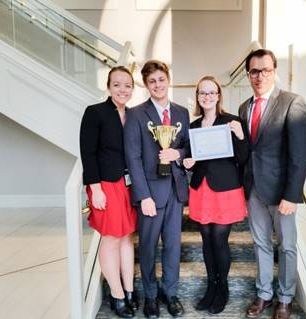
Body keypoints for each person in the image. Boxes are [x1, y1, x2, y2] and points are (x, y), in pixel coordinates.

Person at [239, 49, 306, 319]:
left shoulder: (293, 103)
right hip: (254, 188)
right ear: (248, 74)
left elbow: (300, 154)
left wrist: (292, 195)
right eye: (254, 71)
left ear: (274, 71)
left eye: (265, 70)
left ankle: (286, 298)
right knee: (260, 244)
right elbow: (250, 149)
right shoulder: (244, 107)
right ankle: (264, 294)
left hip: (282, 192)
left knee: (287, 245)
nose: (260, 76)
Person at [124, 60, 190, 318]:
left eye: (161, 79)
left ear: (168, 79)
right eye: (152, 81)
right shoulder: (136, 115)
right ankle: (150, 296)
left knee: (173, 246)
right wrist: (143, 196)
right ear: (146, 85)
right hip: (151, 195)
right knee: (149, 247)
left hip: (175, 191)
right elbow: (133, 158)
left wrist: (178, 153)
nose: (157, 85)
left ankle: (170, 293)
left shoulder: (182, 113)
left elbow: (188, 148)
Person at [183, 75, 249, 314]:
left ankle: (223, 287)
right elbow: (192, 158)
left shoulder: (232, 121)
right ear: (198, 97)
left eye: (212, 92)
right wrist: (187, 162)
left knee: (219, 240)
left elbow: (243, 158)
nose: (207, 96)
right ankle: (211, 286)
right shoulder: (193, 126)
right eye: (203, 93)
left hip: (225, 189)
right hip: (201, 188)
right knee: (206, 239)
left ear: (219, 95)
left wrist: (241, 136)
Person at [79, 66, 138, 318]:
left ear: (133, 88)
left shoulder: (133, 115)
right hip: (105, 186)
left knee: (126, 237)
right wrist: (95, 188)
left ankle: (130, 289)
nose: (122, 89)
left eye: (127, 85)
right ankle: (116, 294)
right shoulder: (95, 112)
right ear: (108, 87)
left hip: (128, 185)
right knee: (111, 238)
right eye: (117, 84)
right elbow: (88, 153)